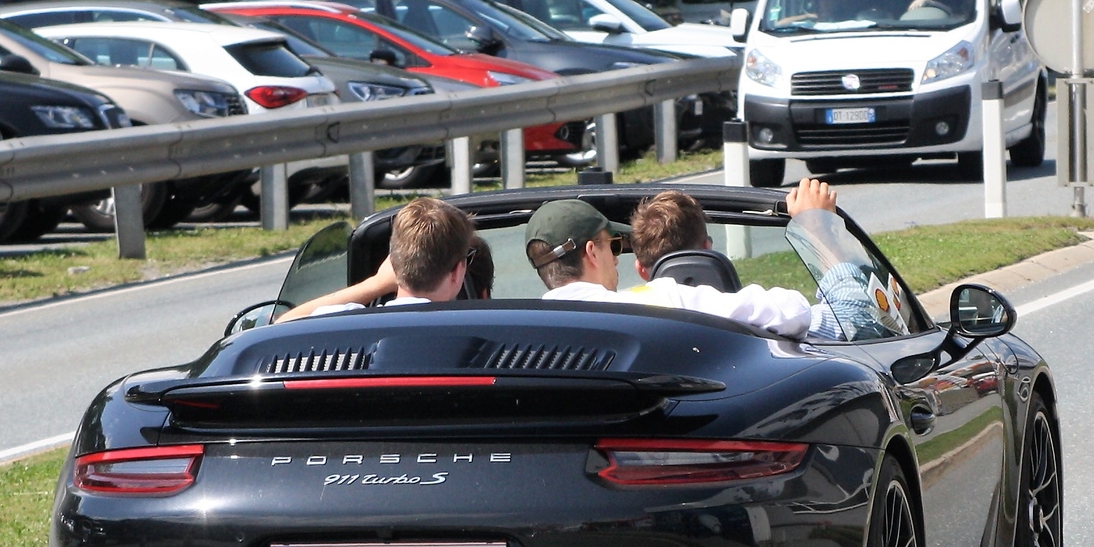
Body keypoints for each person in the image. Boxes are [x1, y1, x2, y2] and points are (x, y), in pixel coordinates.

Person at [525, 182, 868, 339]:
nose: (615, 259)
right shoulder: (663, 299)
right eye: (614, 245)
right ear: (591, 252)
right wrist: (817, 226)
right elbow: (824, 316)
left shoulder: (525, 330)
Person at [277, 196, 483, 319]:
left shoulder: (350, 322)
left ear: (393, 262)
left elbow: (284, 323)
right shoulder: (477, 332)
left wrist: (375, 284)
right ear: (457, 271)